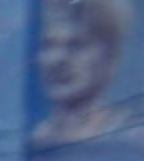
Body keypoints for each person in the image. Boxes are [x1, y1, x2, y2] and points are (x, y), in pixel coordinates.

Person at [31, 0, 130, 148]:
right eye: (49, 45)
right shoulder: (32, 142)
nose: (58, 59)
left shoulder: (131, 137)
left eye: (77, 45)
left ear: (111, 56)